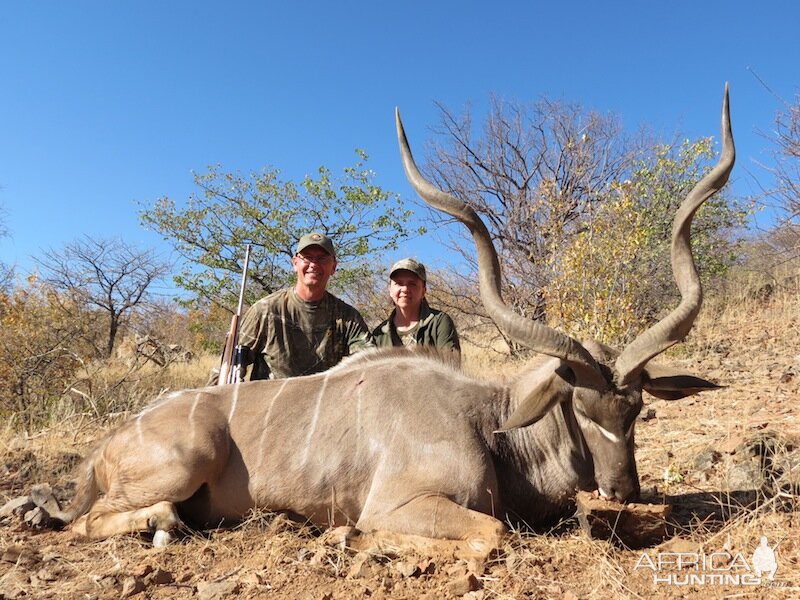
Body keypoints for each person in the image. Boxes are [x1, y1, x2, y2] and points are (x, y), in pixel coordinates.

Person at [213, 232, 374, 382]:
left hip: (324, 407)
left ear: (333, 266)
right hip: (271, 407)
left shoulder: (348, 317)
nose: (314, 264)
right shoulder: (265, 311)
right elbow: (227, 369)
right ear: (295, 263)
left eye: (322, 259)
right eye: (307, 258)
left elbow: (369, 363)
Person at [372, 258, 461, 364]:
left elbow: (450, 368)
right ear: (390, 290)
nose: (405, 289)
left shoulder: (439, 322)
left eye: (412, 284)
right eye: (399, 283)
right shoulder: (379, 334)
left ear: (424, 290)